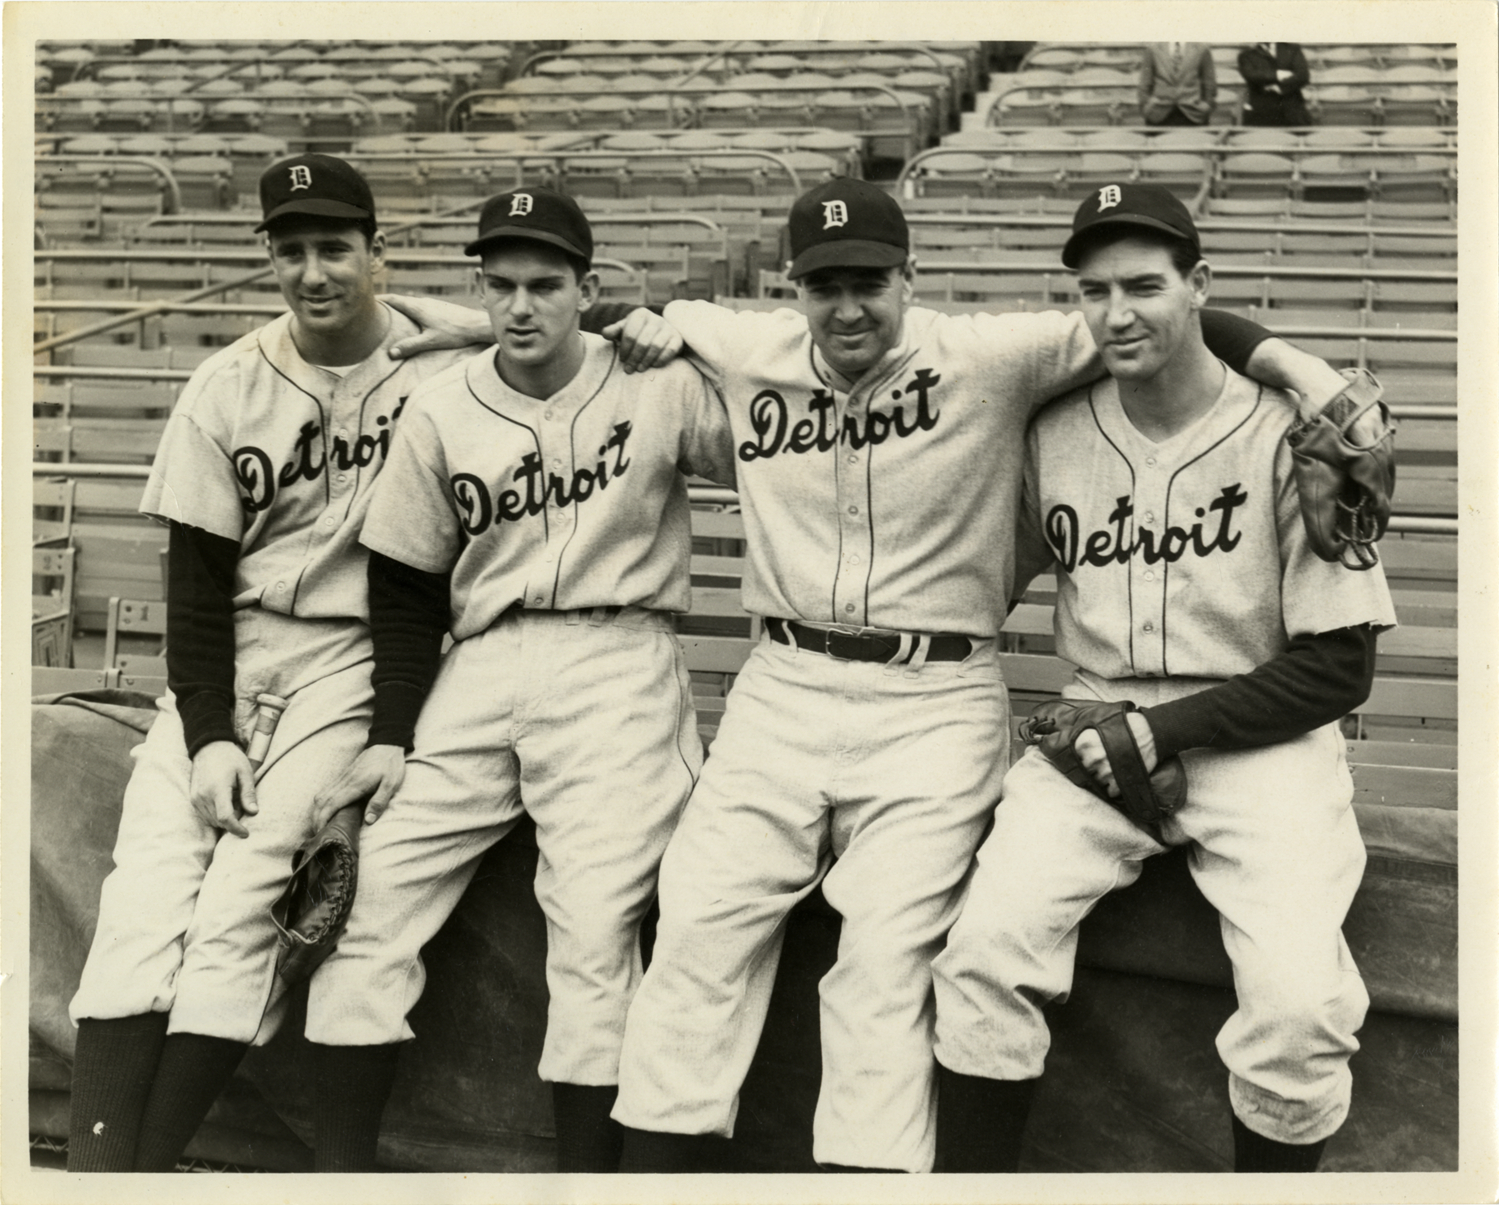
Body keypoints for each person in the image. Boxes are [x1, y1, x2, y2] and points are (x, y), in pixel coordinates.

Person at [385, 176, 1354, 1174]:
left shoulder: (995, 354)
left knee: (887, 962)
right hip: (782, 685)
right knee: (695, 927)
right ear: (789, 288)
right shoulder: (742, 344)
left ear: (909, 278)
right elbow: (586, 321)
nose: (846, 305)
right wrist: (475, 326)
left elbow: (1168, 317)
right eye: (822, 284)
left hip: (933, 697)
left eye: (868, 281)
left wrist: (1308, 377)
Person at [930, 183, 1396, 1173]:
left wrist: (1163, 732)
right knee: (980, 955)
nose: (1115, 313)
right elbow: (967, 575)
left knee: (1299, 1005)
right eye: (1092, 291)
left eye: (1143, 285)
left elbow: (1339, 666)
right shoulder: (1049, 428)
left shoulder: (1291, 430)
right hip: (1096, 719)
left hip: (1257, 734)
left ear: (1199, 286)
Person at [300, 187, 735, 1173]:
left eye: (545, 284)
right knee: (365, 903)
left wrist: (689, 337)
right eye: (500, 286)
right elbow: (407, 587)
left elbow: (784, 433)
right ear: (480, 292)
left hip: (619, 653)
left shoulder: (653, 379)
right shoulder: (443, 402)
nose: (522, 306)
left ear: (587, 288)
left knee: (592, 933)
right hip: (483, 658)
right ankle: (334, 1173)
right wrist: (389, 733)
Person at [64, 154, 481, 1172]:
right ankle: (94, 1175)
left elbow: (412, 586)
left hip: (351, 656)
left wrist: (389, 725)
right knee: (143, 894)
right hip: (236, 651)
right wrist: (205, 736)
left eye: (335, 247)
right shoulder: (227, 382)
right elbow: (197, 588)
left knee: (249, 890)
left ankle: (143, 1167)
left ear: (378, 253)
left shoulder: (436, 373)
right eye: (290, 250)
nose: (312, 272)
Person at [1138, 42, 1218, 127]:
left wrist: (1206, 106)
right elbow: (1145, 82)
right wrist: (1147, 106)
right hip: (1158, 112)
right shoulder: (1153, 48)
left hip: (1193, 113)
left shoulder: (1201, 48)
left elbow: (1209, 82)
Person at [1238, 42, 1313, 127]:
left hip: (1293, 111)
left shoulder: (1292, 49)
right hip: (1262, 113)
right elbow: (1252, 75)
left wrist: (1280, 87)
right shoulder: (1246, 54)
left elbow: (1303, 75)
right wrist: (1278, 74)